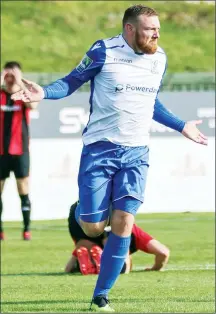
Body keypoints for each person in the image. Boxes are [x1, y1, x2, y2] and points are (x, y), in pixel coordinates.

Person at [11, 4, 208, 311]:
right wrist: (44, 93)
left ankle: (101, 295)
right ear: (129, 29)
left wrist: (181, 126)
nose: (156, 33)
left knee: (124, 221)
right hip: (99, 150)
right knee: (92, 226)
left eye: (158, 28)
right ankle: (83, 213)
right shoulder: (104, 51)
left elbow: (150, 103)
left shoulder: (160, 59)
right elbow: (70, 82)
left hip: (136, 153)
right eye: (149, 28)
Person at [65, 201, 170, 275]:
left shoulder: (134, 230)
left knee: (83, 246)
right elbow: (163, 253)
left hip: (82, 209)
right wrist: (155, 269)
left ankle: (86, 262)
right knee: (122, 265)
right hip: (111, 220)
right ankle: (101, 262)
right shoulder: (134, 233)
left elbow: (163, 253)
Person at [0, 62, 38, 241]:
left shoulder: (22, 96)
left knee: (23, 189)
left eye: (12, 74)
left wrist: (20, 82)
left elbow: (34, 106)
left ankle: (26, 229)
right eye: (7, 74)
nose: (10, 78)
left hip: (20, 151)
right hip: (1, 152)